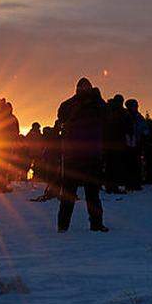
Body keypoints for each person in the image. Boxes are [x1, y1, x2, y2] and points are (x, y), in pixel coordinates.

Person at [56, 78, 108, 232]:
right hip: (85, 155)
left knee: (76, 193)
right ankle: (94, 224)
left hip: (79, 155)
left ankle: (64, 226)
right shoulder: (94, 105)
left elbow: (61, 117)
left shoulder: (72, 105)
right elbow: (106, 115)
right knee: (89, 194)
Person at [124, 99, 148, 191]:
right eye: (134, 105)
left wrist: (144, 134)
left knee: (136, 164)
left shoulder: (138, 117)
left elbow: (144, 128)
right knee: (130, 164)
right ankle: (130, 183)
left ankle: (135, 183)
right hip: (128, 143)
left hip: (136, 143)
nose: (136, 107)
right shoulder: (127, 116)